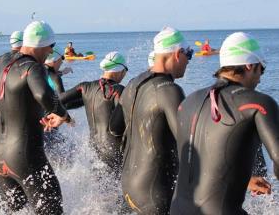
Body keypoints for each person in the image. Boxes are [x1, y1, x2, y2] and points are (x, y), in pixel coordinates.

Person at [171, 32, 279, 215]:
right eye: (262, 69)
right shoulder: (258, 103)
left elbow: (194, 163)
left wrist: (244, 180)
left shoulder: (188, 102)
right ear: (250, 65)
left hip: (177, 210)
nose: (261, 77)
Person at [0, 21, 73, 214]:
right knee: (52, 210)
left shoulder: (3, 64)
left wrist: (27, 113)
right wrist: (64, 115)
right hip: (25, 156)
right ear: (41, 45)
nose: (50, 53)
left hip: (0, 155)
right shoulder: (33, 67)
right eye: (50, 48)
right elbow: (43, 95)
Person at [114, 27, 192, 214]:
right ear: (177, 53)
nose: (189, 61)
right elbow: (188, 143)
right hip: (154, 192)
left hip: (129, 185)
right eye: (188, 54)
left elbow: (114, 128)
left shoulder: (132, 84)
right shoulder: (169, 90)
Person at [60, 51, 127, 173]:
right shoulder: (119, 90)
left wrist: (61, 115)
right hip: (114, 151)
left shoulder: (85, 87)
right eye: (125, 71)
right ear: (120, 70)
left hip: (93, 149)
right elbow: (124, 122)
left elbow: (58, 100)